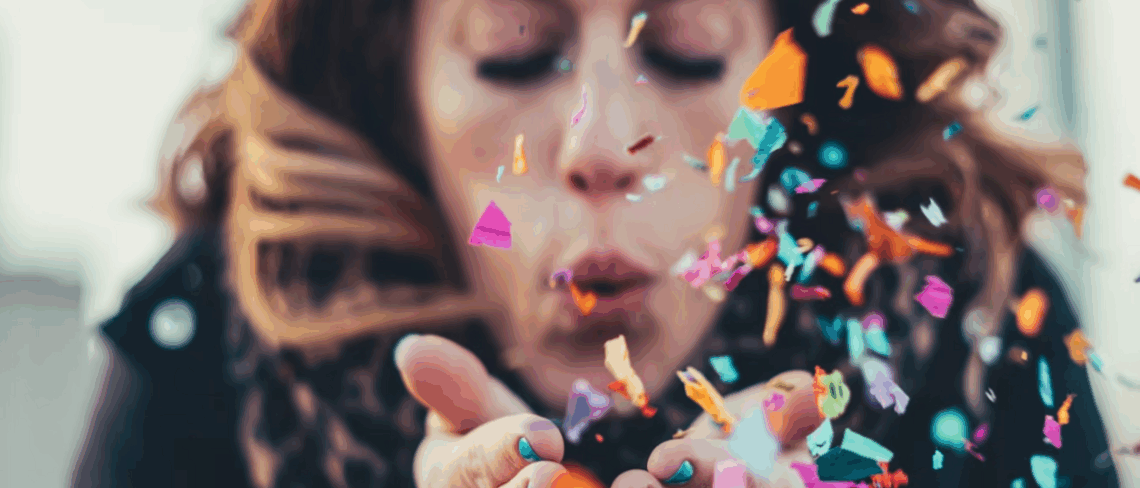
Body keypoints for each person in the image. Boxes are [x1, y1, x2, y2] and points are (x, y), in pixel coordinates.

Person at [70, 0, 1122, 487]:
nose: (603, 142)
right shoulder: (230, 326)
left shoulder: (975, 320)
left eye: (685, 48)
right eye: (512, 53)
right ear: (397, 91)